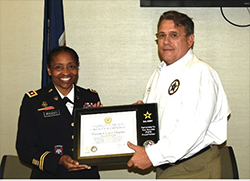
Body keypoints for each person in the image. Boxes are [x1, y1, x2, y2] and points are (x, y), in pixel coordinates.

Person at [127, 11, 231, 179]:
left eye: (173, 35)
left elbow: (192, 129)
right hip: (168, 165)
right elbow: (158, 119)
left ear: (190, 40)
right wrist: (136, 116)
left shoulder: (199, 73)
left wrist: (152, 156)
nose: (166, 41)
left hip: (193, 168)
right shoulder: (160, 73)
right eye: (161, 35)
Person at [16, 46, 102, 179]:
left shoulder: (90, 97)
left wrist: (102, 124)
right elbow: (25, 149)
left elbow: (99, 140)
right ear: (49, 70)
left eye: (71, 66)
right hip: (49, 175)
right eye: (58, 67)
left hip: (86, 174)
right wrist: (58, 160)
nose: (66, 73)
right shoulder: (34, 101)